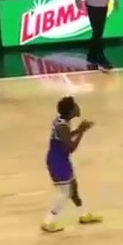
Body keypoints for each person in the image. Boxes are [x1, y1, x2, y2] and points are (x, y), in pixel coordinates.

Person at [41, 96, 103, 233]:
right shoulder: (62, 125)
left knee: (74, 188)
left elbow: (66, 138)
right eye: (74, 105)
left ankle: (83, 214)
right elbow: (70, 147)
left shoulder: (62, 121)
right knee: (64, 193)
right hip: (58, 161)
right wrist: (81, 132)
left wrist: (80, 130)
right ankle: (48, 221)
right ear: (70, 111)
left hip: (61, 159)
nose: (77, 107)